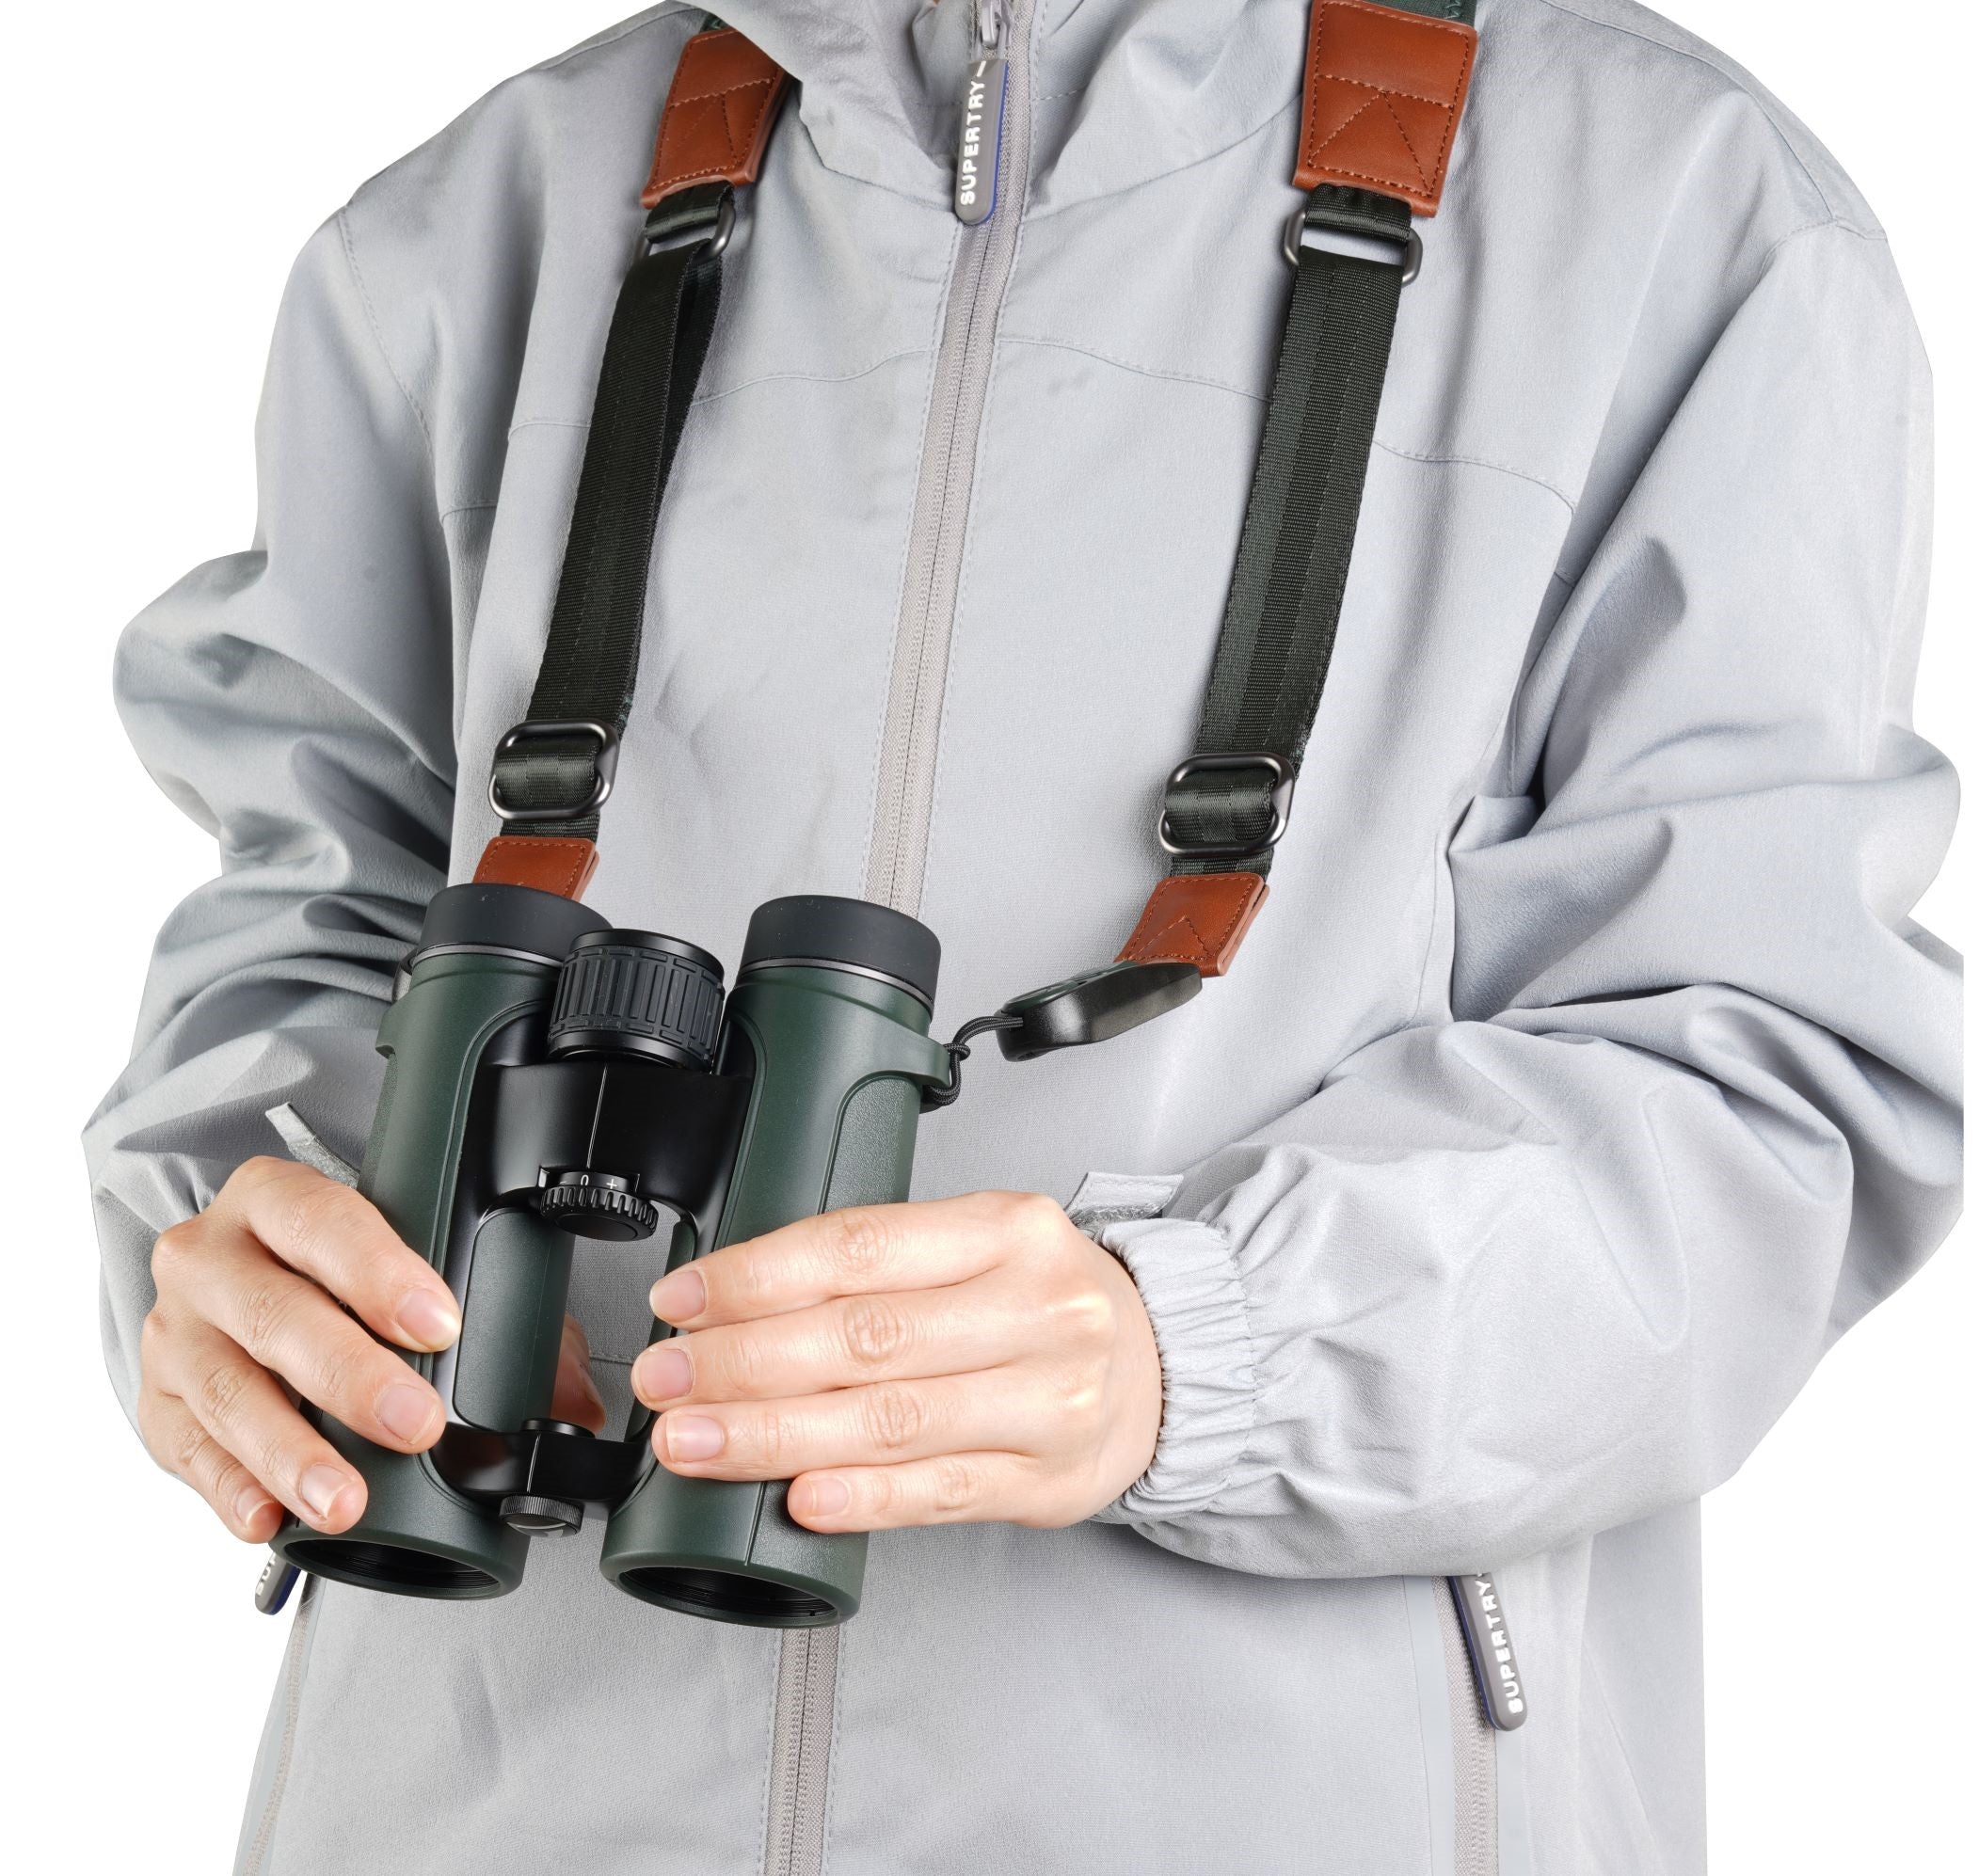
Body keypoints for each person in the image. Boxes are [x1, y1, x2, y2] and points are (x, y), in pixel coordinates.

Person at [85, 2, 1959, 1872]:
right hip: (478, 1813)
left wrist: (1198, 1349)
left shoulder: (1670, 210)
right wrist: (255, 1248)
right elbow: (302, 931)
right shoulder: (472, 224)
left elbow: (1763, 1095)